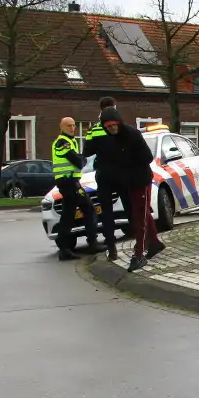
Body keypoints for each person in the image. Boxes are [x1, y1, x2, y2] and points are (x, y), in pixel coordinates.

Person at [99, 107, 164, 272]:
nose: (113, 129)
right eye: (109, 127)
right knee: (141, 213)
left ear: (119, 122)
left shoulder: (132, 135)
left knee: (139, 218)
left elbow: (148, 157)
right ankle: (154, 242)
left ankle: (139, 254)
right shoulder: (112, 140)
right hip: (129, 183)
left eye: (115, 125)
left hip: (141, 180)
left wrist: (130, 165)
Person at [82, 96, 130, 260]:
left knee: (106, 212)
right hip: (121, 172)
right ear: (114, 107)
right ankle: (140, 242)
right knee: (129, 207)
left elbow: (87, 151)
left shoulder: (93, 129)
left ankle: (112, 248)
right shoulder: (120, 126)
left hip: (103, 174)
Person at [52, 117, 100, 260]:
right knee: (88, 209)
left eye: (73, 125)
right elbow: (79, 162)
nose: (72, 128)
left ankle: (65, 249)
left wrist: (81, 159)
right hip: (68, 182)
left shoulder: (70, 142)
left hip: (71, 182)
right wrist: (81, 159)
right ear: (61, 127)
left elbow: (80, 160)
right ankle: (91, 243)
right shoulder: (62, 142)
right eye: (69, 126)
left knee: (69, 214)